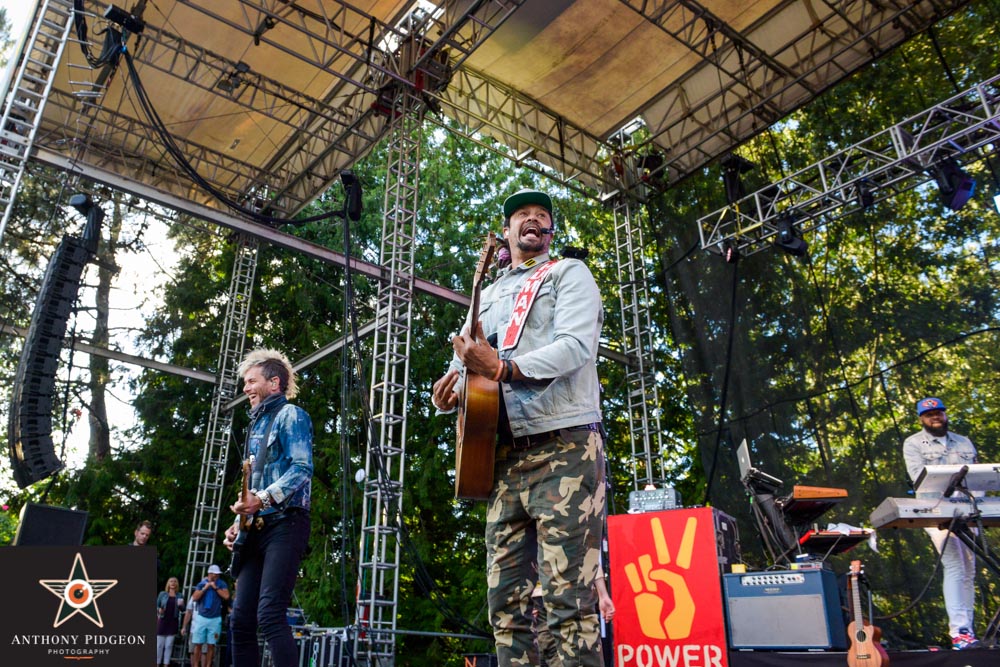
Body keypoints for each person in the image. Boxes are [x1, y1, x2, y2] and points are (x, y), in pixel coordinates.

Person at [432, 188, 606, 667]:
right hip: (500, 459)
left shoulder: (569, 273)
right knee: (506, 607)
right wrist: (448, 395)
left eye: (541, 215)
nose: (532, 219)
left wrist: (503, 368)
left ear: (549, 232)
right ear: (505, 234)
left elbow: (575, 347)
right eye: (521, 216)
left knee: (567, 603)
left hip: (564, 446)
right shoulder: (485, 296)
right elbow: (467, 370)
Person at [223, 348, 313, 667]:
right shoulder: (255, 428)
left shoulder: (292, 415)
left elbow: (302, 468)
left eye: (251, 381)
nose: (246, 388)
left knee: (270, 615)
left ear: (274, 383)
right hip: (255, 529)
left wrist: (261, 500)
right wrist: (237, 526)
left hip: (286, 524)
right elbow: (255, 483)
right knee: (240, 621)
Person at [902, 397, 981, 650]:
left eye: (939, 413)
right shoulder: (913, 443)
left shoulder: (963, 441)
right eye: (929, 414)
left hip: (969, 510)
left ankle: (968, 631)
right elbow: (919, 479)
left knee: (969, 570)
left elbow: (979, 476)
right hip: (936, 510)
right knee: (956, 565)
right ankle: (958, 632)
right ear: (921, 419)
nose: (936, 417)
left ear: (945, 415)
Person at [189, 564, 230, 667]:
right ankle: (195, 665)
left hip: (215, 618)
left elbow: (226, 596)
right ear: (209, 573)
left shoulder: (221, 584)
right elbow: (194, 597)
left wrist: (215, 588)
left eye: (218, 574)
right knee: (198, 644)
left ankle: (208, 665)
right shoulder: (201, 583)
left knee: (211, 645)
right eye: (215, 574)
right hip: (202, 617)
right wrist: (205, 588)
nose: (217, 576)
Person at [156, 576, 186, 667]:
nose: (173, 583)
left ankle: (166, 664)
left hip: (173, 622)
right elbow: (157, 606)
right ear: (168, 584)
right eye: (171, 581)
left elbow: (183, 609)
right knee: (159, 645)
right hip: (162, 621)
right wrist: (159, 610)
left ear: (177, 584)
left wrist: (181, 605)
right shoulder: (162, 594)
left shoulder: (180, 595)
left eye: (175, 581)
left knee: (169, 645)